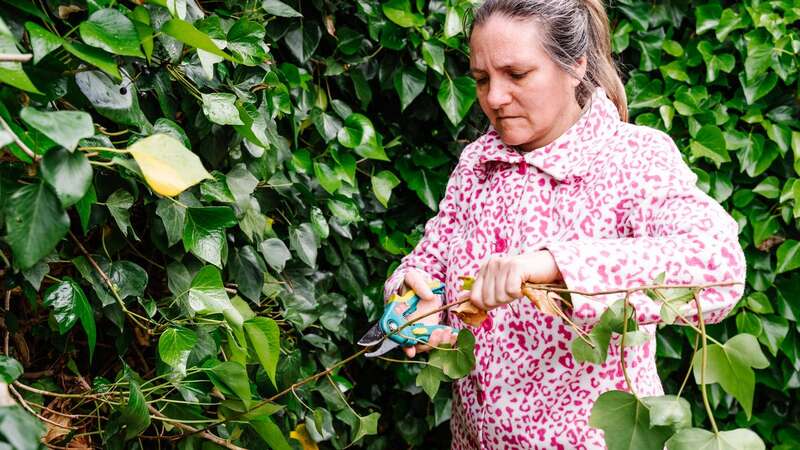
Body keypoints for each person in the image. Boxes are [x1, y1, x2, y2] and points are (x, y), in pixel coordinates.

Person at [381, 0, 747, 448]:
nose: (493, 98)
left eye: (516, 75)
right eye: (481, 79)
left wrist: (554, 264)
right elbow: (431, 260)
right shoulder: (479, 161)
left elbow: (721, 267)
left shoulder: (632, 159)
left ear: (575, 64)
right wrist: (409, 294)